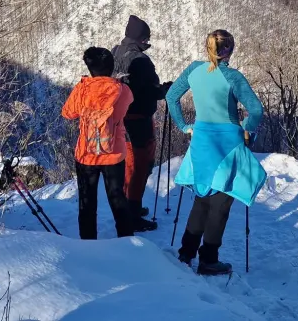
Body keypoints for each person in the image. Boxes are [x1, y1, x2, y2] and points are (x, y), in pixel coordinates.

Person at [166, 29, 266, 275]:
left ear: (207, 47)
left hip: (201, 141)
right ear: (229, 50)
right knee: (220, 204)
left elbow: (171, 97)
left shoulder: (194, 70)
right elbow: (256, 110)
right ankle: (209, 259)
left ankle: (186, 252)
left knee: (202, 197)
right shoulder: (232, 76)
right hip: (227, 144)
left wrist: (185, 127)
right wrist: (247, 129)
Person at [61, 47, 136, 240]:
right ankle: (127, 241)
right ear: (111, 67)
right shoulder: (123, 90)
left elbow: (67, 113)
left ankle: (88, 244)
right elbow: (129, 103)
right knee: (117, 197)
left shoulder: (82, 89)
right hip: (114, 152)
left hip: (86, 153)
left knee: (87, 201)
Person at [112, 15, 168, 230]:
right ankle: (133, 214)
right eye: (146, 38)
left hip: (119, 119)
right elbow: (151, 91)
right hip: (139, 119)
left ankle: (129, 206)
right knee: (141, 165)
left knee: (128, 164)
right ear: (141, 38)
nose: (147, 42)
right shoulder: (142, 61)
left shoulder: (115, 52)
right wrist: (164, 90)